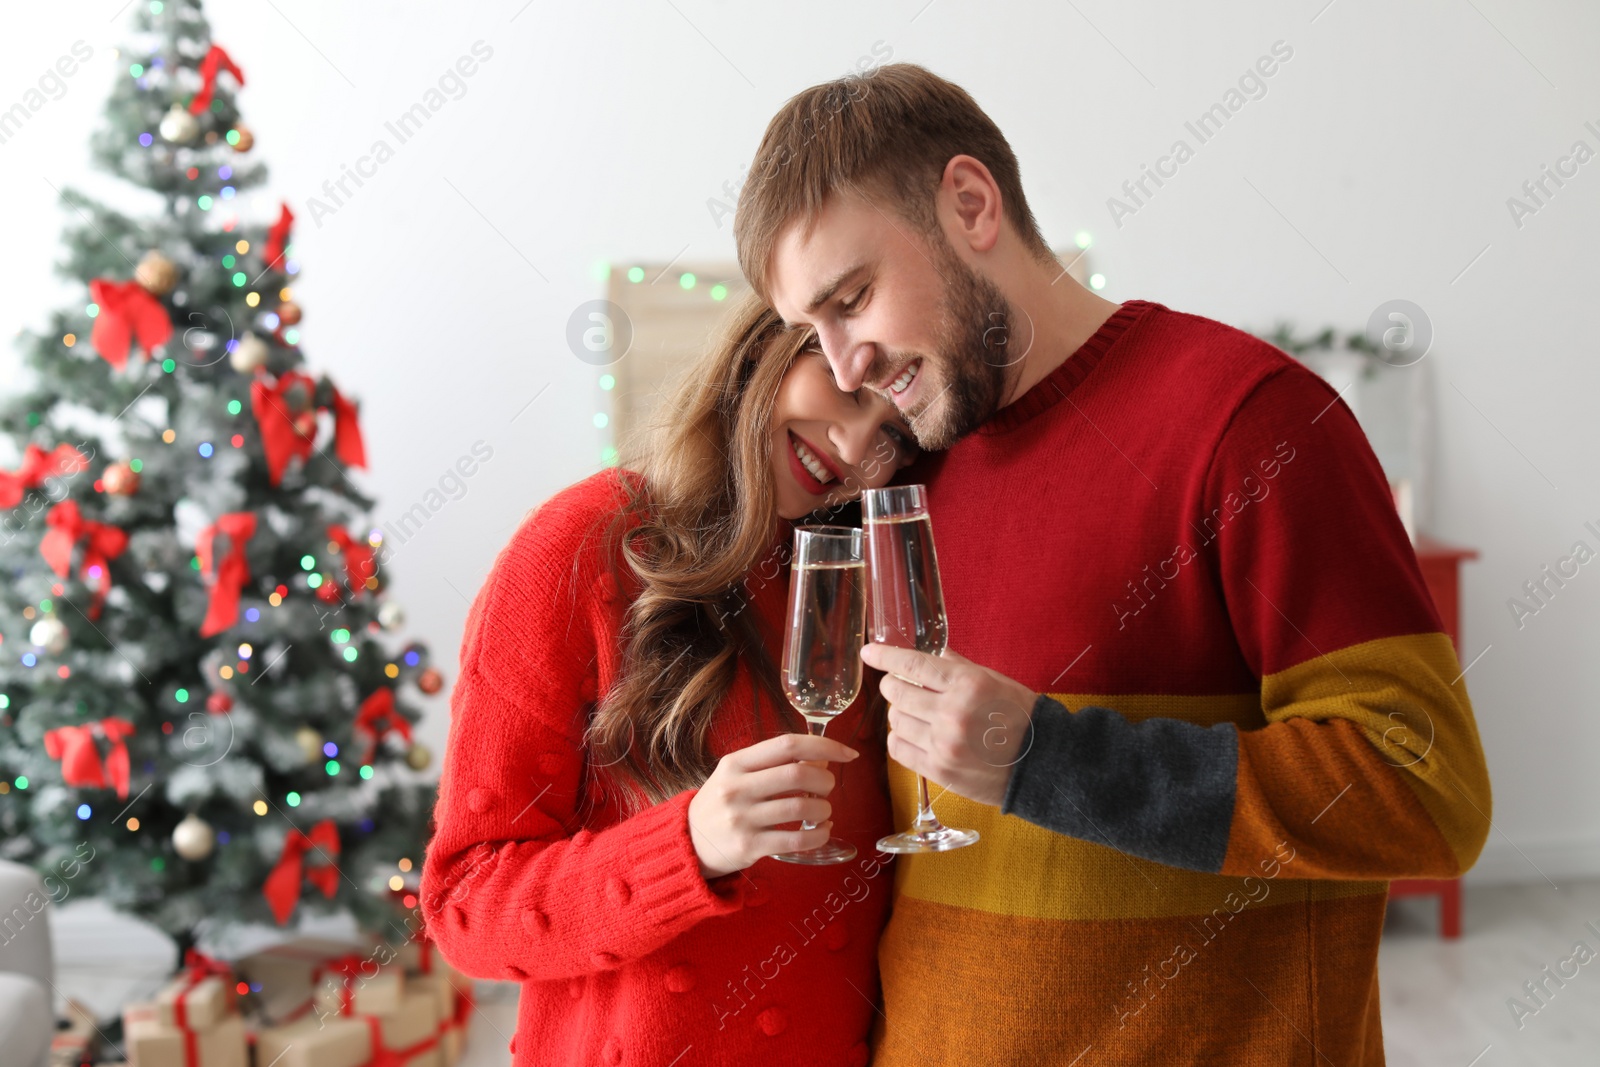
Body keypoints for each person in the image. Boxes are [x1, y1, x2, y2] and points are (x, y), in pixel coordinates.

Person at [733, 62, 1492, 1065]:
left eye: (854, 297)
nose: (843, 365)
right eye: (811, 329)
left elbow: (1425, 790)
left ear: (969, 203)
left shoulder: (1254, 422)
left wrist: (1046, 759)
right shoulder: (903, 470)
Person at [420, 294, 918, 1066]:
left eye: (892, 430)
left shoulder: (864, 579)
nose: (854, 445)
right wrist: (689, 843)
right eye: (848, 389)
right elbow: (464, 906)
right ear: (767, 347)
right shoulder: (583, 545)